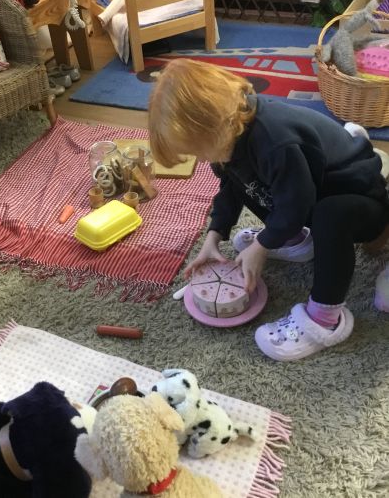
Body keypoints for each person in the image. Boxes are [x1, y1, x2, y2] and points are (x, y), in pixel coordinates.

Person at [148, 58, 389, 361]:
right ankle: (294, 238)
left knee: (329, 215)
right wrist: (214, 235)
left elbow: (297, 201)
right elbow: (231, 189)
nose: (200, 158)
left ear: (215, 127)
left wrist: (262, 245)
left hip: (363, 202)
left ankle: (324, 318)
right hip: (311, 192)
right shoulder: (229, 134)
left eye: (197, 150)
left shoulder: (275, 141)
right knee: (246, 182)